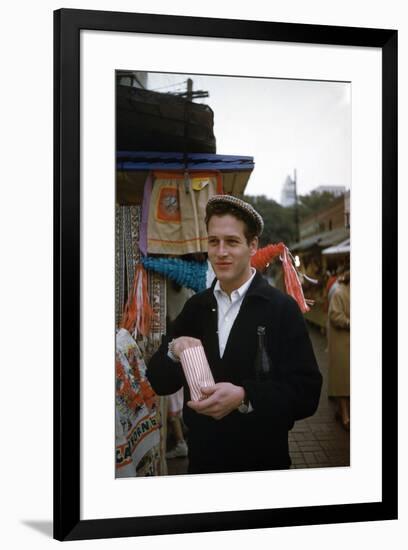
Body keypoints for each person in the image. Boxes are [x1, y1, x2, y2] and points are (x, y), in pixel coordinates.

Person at [147, 195, 322, 474]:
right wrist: (172, 351)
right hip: (204, 463)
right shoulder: (197, 307)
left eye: (232, 241)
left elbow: (307, 394)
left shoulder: (281, 308)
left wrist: (245, 397)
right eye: (213, 241)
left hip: (263, 466)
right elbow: (159, 381)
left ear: (252, 246)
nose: (221, 252)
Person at [327, 270, 350, 430]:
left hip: (350, 342)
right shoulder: (340, 291)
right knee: (343, 379)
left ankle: (342, 411)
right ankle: (344, 415)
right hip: (342, 342)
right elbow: (335, 315)